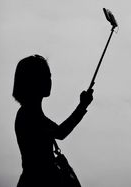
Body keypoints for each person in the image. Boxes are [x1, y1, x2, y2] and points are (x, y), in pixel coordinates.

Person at [13, 54, 93, 187]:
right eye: (45, 77)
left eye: (49, 76)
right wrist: (82, 106)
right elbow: (61, 132)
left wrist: (82, 106)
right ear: (32, 81)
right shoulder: (29, 114)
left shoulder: (30, 113)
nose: (49, 81)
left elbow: (60, 132)